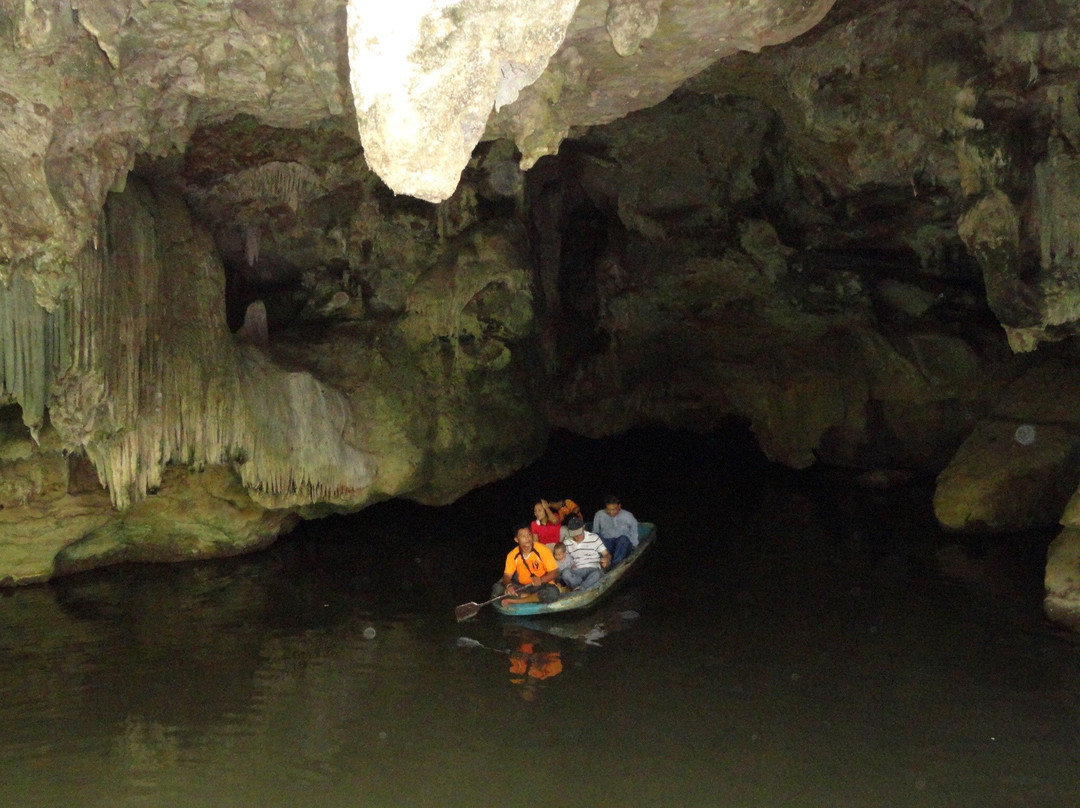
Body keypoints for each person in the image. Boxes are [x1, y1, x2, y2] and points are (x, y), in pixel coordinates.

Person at [492, 525, 560, 602]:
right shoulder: (512, 555)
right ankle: (532, 597)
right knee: (497, 588)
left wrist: (541, 580)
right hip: (523, 587)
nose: (527, 538)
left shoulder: (542, 549)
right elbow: (507, 575)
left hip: (541, 585)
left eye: (529, 535)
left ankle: (517, 601)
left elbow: (554, 572)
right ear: (516, 539)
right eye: (523, 536)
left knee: (552, 593)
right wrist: (509, 586)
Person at [559, 514, 609, 591]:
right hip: (577, 573)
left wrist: (606, 559)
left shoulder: (594, 537)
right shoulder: (566, 542)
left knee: (597, 574)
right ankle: (583, 586)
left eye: (579, 533)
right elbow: (564, 560)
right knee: (565, 573)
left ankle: (581, 588)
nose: (577, 536)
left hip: (593, 569)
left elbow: (606, 554)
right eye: (574, 534)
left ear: (583, 528)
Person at [591, 494, 637, 566]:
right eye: (608, 510)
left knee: (623, 539)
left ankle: (614, 565)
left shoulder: (628, 516)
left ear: (619, 506)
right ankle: (604, 561)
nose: (611, 512)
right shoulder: (599, 514)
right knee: (596, 536)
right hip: (608, 545)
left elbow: (634, 534)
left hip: (623, 545)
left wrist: (634, 548)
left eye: (613, 509)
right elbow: (595, 532)